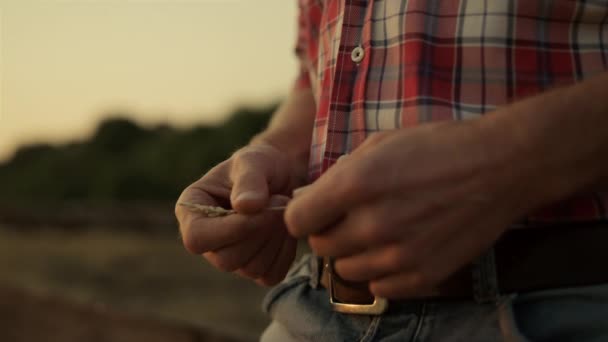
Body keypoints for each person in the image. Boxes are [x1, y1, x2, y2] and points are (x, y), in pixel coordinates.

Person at [175, 0, 608, 340]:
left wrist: (505, 161)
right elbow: (315, 78)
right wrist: (274, 155)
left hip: (567, 308)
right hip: (312, 315)